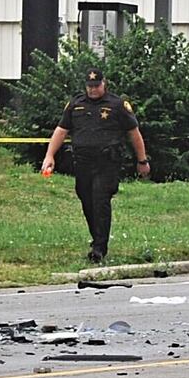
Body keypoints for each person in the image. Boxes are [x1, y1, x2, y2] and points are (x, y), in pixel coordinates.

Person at [38, 68, 148, 263]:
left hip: (107, 162)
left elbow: (134, 133)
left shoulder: (117, 105)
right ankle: (96, 238)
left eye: (96, 86)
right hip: (83, 162)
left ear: (104, 84)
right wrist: (49, 156)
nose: (93, 90)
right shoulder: (76, 104)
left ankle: (99, 248)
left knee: (100, 199)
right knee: (86, 199)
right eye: (90, 86)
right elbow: (61, 130)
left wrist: (142, 161)